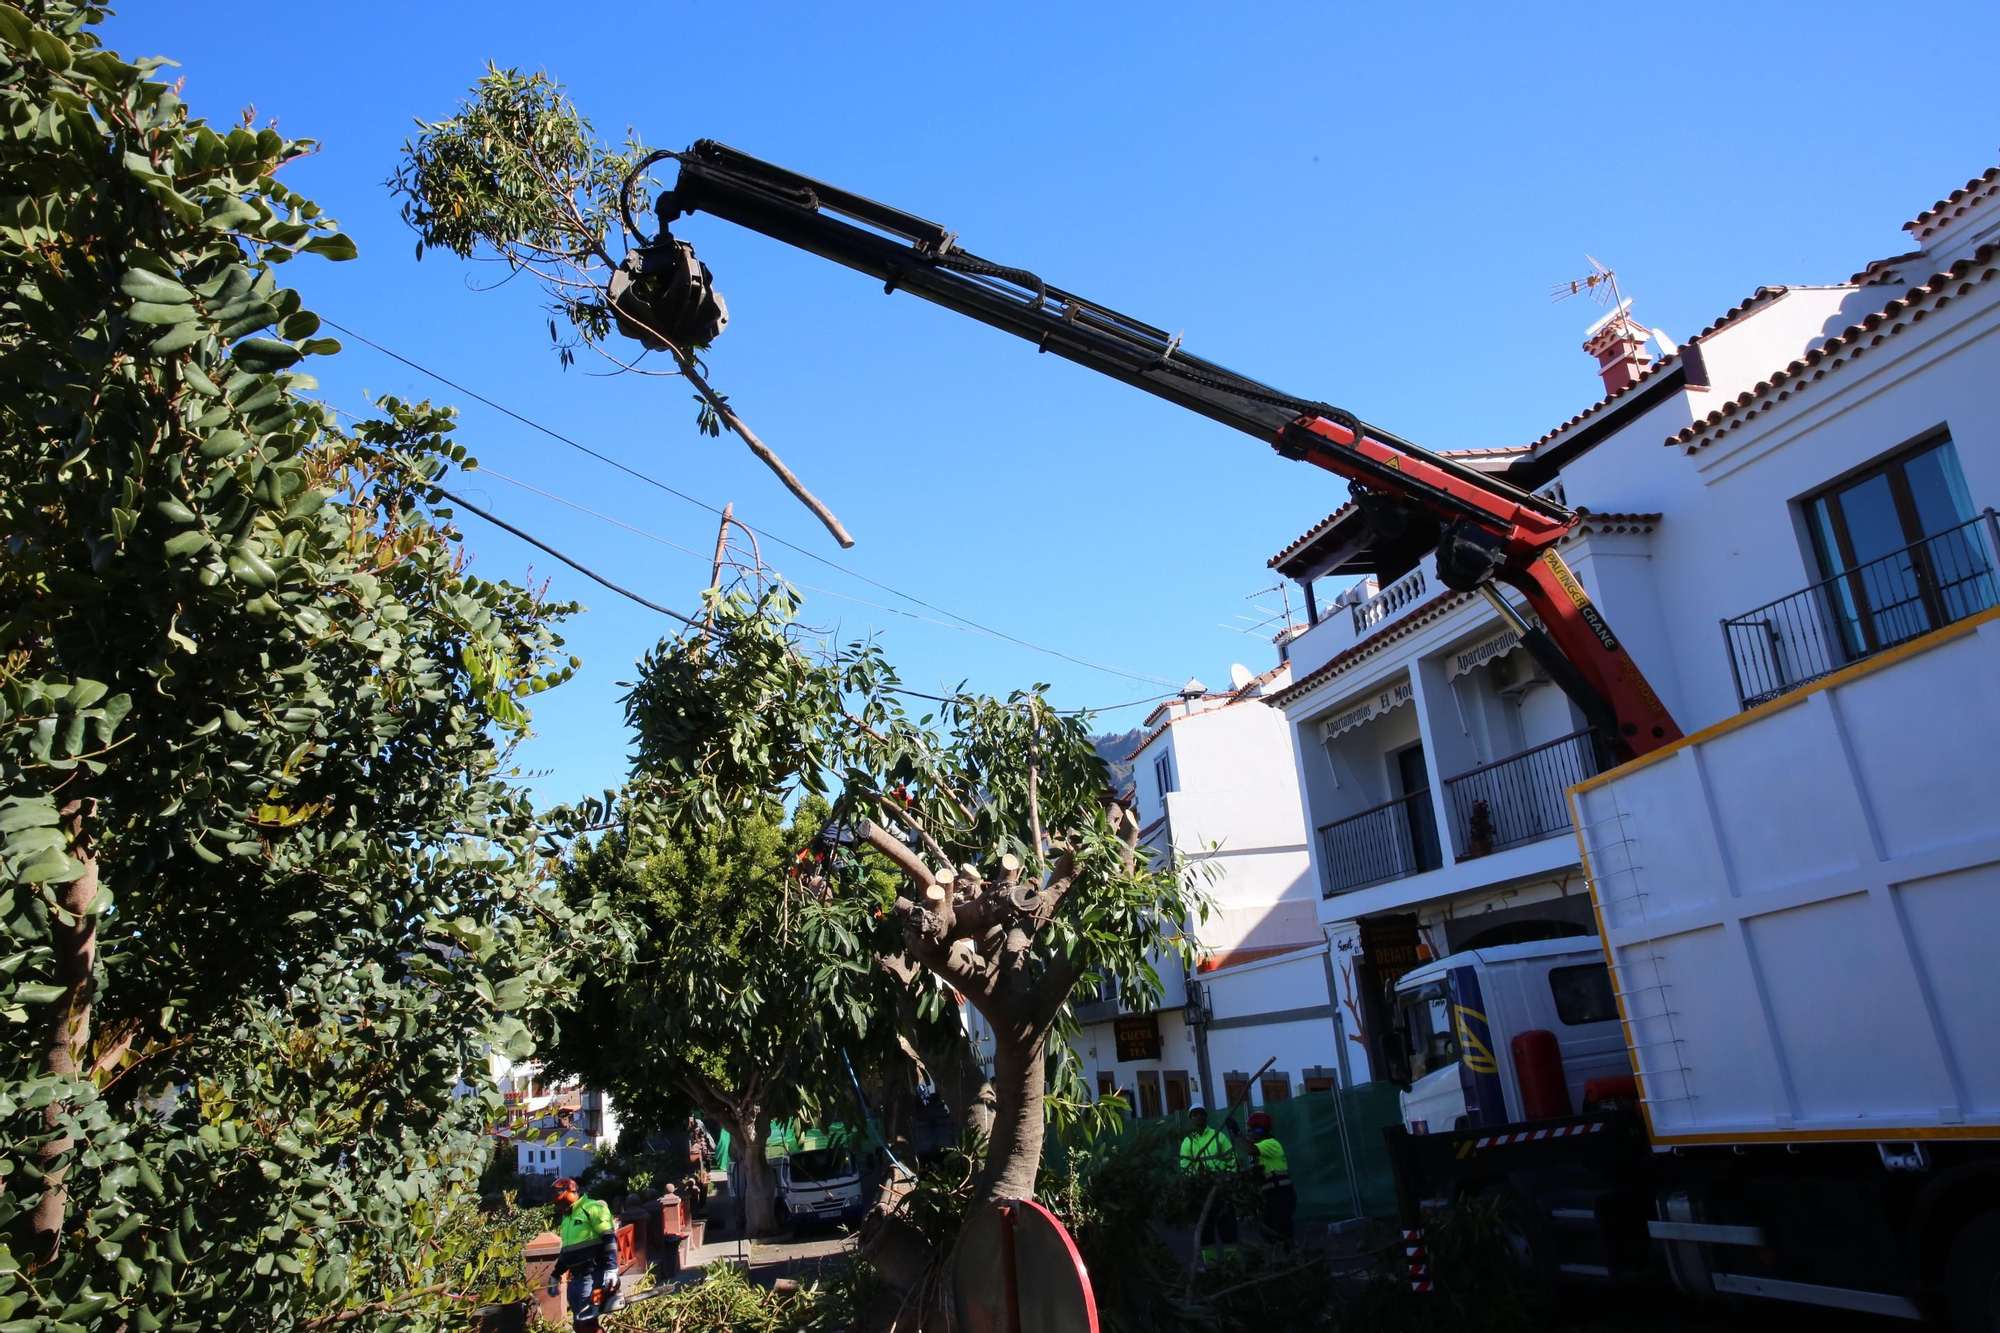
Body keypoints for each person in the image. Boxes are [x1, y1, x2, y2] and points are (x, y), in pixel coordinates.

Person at [546, 1177, 618, 1332]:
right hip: (575, 1278)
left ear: (571, 1193)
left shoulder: (592, 1208)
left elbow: (609, 1238)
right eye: (557, 1205)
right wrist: (555, 1275)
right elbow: (567, 1252)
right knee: (579, 1325)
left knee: (587, 1325)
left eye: (561, 1203)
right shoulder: (566, 1220)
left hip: (593, 1275)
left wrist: (612, 1269)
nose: (559, 1207)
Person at [1178, 1105, 1238, 1259]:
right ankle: (1213, 1269)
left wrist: (1226, 1178)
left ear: (1206, 1116)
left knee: (1228, 1230)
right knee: (1205, 1232)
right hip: (1200, 1193)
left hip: (1221, 1190)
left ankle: (1234, 1267)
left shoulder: (1219, 1136)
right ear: (1190, 1118)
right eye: (1195, 1114)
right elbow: (1185, 1166)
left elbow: (1232, 1159)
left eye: (1201, 1113)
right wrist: (1195, 1182)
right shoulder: (1188, 1142)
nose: (1199, 1116)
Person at [1239, 1111, 1296, 1244]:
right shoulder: (1264, 1149)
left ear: (1259, 1130)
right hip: (1272, 1196)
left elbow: (1250, 1150)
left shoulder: (1271, 1144)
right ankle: (1283, 1256)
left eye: (1249, 1131)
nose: (1248, 1135)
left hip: (1281, 1196)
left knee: (1281, 1232)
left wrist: (1237, 1132)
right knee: (1267, 1230)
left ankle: (1290, 1257)